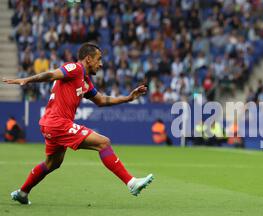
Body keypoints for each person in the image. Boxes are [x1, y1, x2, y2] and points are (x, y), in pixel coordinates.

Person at [3, 43, 154, 205]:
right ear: (88, 59)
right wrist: (27, 80)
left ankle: (22, 192)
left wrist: (128, 98)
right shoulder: (74, 68)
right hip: (57, 123)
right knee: (103, 143)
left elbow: (101, 100)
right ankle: (131, 183)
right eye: (99, 59)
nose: (101, 64)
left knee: (53, 163)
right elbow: (52, 74)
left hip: (50, 124)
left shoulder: (85, 80)